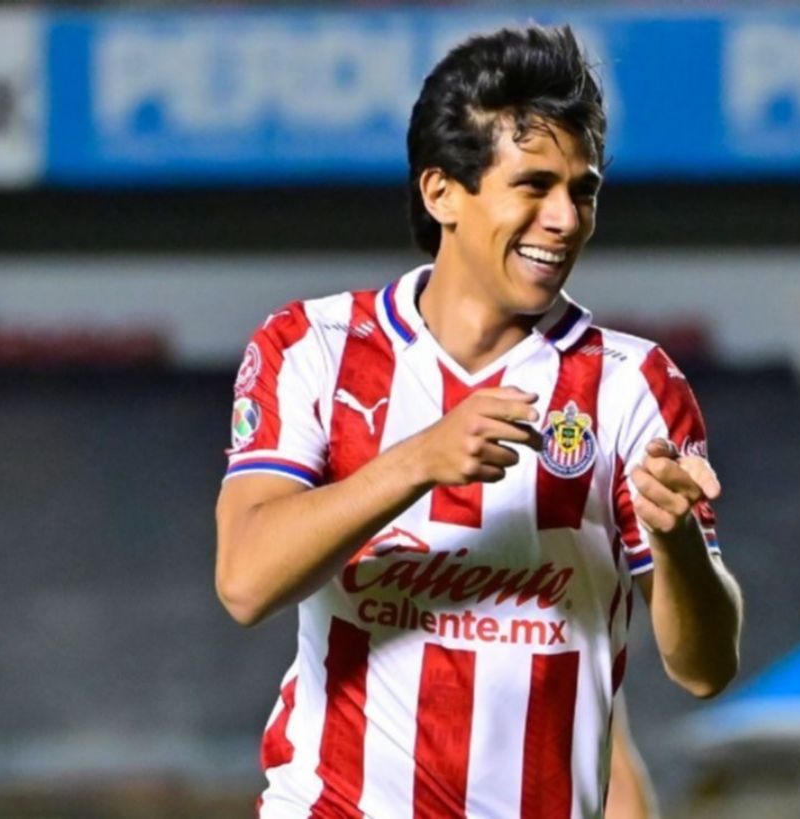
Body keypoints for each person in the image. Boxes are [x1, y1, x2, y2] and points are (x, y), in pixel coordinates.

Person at [215, 24, 743, 818]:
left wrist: (677, 544)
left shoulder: (633, 386)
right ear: (442, 193)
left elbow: (704, 668)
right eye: (534, 185)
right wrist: (417, 460)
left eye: (583, 191)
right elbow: (245, 580)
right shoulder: (313, 348)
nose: (564, 218)